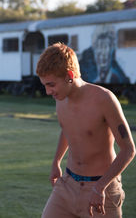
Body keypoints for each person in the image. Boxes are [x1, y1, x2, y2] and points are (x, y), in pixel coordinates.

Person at [36, 43, 135, 218]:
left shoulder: (104, 99)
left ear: (69, 75)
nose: (47, 91)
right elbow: (67, 129)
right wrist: (56, 162)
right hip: (67, 184)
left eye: (51, 84)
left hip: (101, 189)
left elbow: (128, 150)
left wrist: (100, 187)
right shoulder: (61, 99)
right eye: (44, 85)